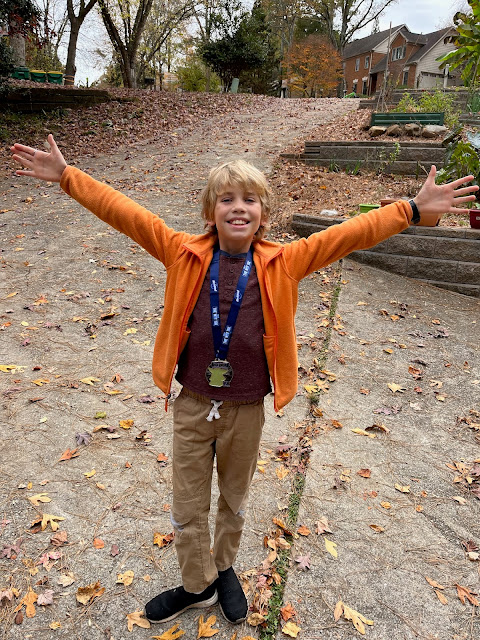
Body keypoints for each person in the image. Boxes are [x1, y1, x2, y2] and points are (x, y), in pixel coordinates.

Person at [11, 135, 478, 626]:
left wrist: (410, 208)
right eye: (226, 199)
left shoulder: (285, 262)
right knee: (187, 505)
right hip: (193, 405)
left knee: (233, 501)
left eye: (249, 199)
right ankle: (198, 585)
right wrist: (68, 176)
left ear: (264, 213)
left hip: (247, 409)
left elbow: (349, 233)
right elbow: (125, 213)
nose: (238, 207)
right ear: (209, 212)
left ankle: (225, 565)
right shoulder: (180, 253)